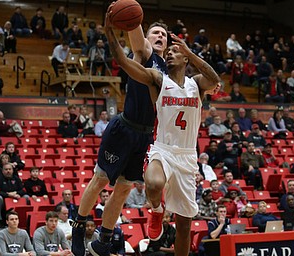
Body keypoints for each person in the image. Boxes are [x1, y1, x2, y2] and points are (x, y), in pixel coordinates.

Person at [87, 15, 220, 256]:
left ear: (185, 58)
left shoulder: (196, 84)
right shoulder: (159, 80)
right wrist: (109, 32)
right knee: (154, 183)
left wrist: (189, 52)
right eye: (167, 52)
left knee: (184, 226)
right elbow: (123, 62)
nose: (168, 53)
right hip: (163, 149)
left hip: (188, 156)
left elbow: (215, 79)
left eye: (174, 51)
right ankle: (157, 210)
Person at [71, 18, 169, 256]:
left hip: (145, 136)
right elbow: (135, 33)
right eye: (155, 32)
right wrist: (133, 18)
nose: (160, 37)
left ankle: (103, 240)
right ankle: (79, 225)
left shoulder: (168, 66)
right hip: (123, 129)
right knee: (101, 181)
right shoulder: (145, 51)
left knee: (124, 190)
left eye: (164, 35)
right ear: (147, 37)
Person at [0, 163, 29, 228]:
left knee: (26, 197)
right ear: (3, 171)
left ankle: (25, 218)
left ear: (12, 170)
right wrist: (8, 194)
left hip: (16, 197)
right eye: (6, 169)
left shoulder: (16, 178)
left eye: (10, 169)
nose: (8, 171)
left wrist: (16, 193)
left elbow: (23, 190)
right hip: (4, 200)